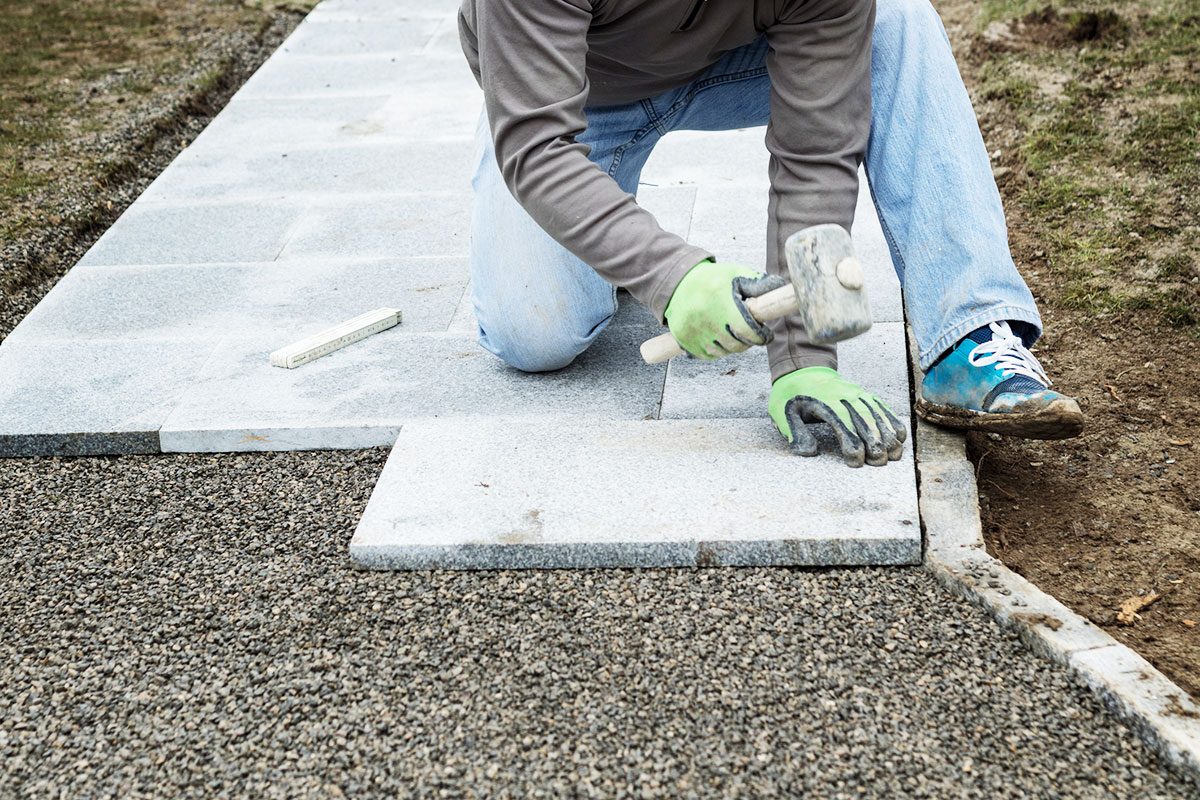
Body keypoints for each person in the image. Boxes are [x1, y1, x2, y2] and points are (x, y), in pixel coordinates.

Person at [458, 0, 1085, 468]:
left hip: (737, 59)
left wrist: (804, 359)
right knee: (532, 335)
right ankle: (607, 223)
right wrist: (670, 275)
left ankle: (968, 333)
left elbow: (815, 152)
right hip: (573, 98)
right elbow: (538, 146)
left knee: (894, 17)